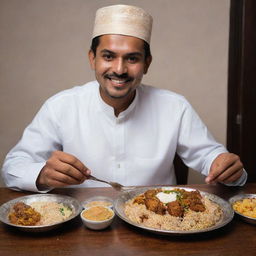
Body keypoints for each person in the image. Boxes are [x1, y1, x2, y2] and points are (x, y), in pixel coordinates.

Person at [2, 4, 247, 192]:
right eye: (108, 56)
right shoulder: (60, 107)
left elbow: (212, 158)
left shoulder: (174, 107)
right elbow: (13, 167)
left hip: (158, 225)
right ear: (92, 58)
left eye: (132, 58)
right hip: (82, 228)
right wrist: (42, 175)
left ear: (146, 63)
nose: (119, 69)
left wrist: (226, 167)